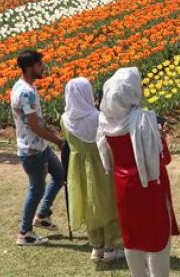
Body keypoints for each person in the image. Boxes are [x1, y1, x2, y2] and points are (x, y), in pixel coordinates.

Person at [98, 68, 180, 277]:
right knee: (157, 238)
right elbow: (163, 159)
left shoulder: (106, 121)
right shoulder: (143, 120)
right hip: (148, 184)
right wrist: (161, 137)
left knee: (132, 236)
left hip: (122, 184)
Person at [61, 78, 123, 263]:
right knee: (108, 202)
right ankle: (112, 247)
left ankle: (97, 246)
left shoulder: (64, 119)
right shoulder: (97, 117)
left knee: (89, 205)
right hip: (101, 164)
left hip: (77, 167)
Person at [11, 49, 65, 246]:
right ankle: (24, 233)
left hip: (40, 146)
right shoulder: (25, 92)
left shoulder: (25, 86)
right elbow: (34, 126)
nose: (42, 67)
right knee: (36, 190)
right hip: (32, 150)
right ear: (29, 67)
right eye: (39, 64)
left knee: (60, 175)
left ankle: (42, 215)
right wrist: (58, 141)